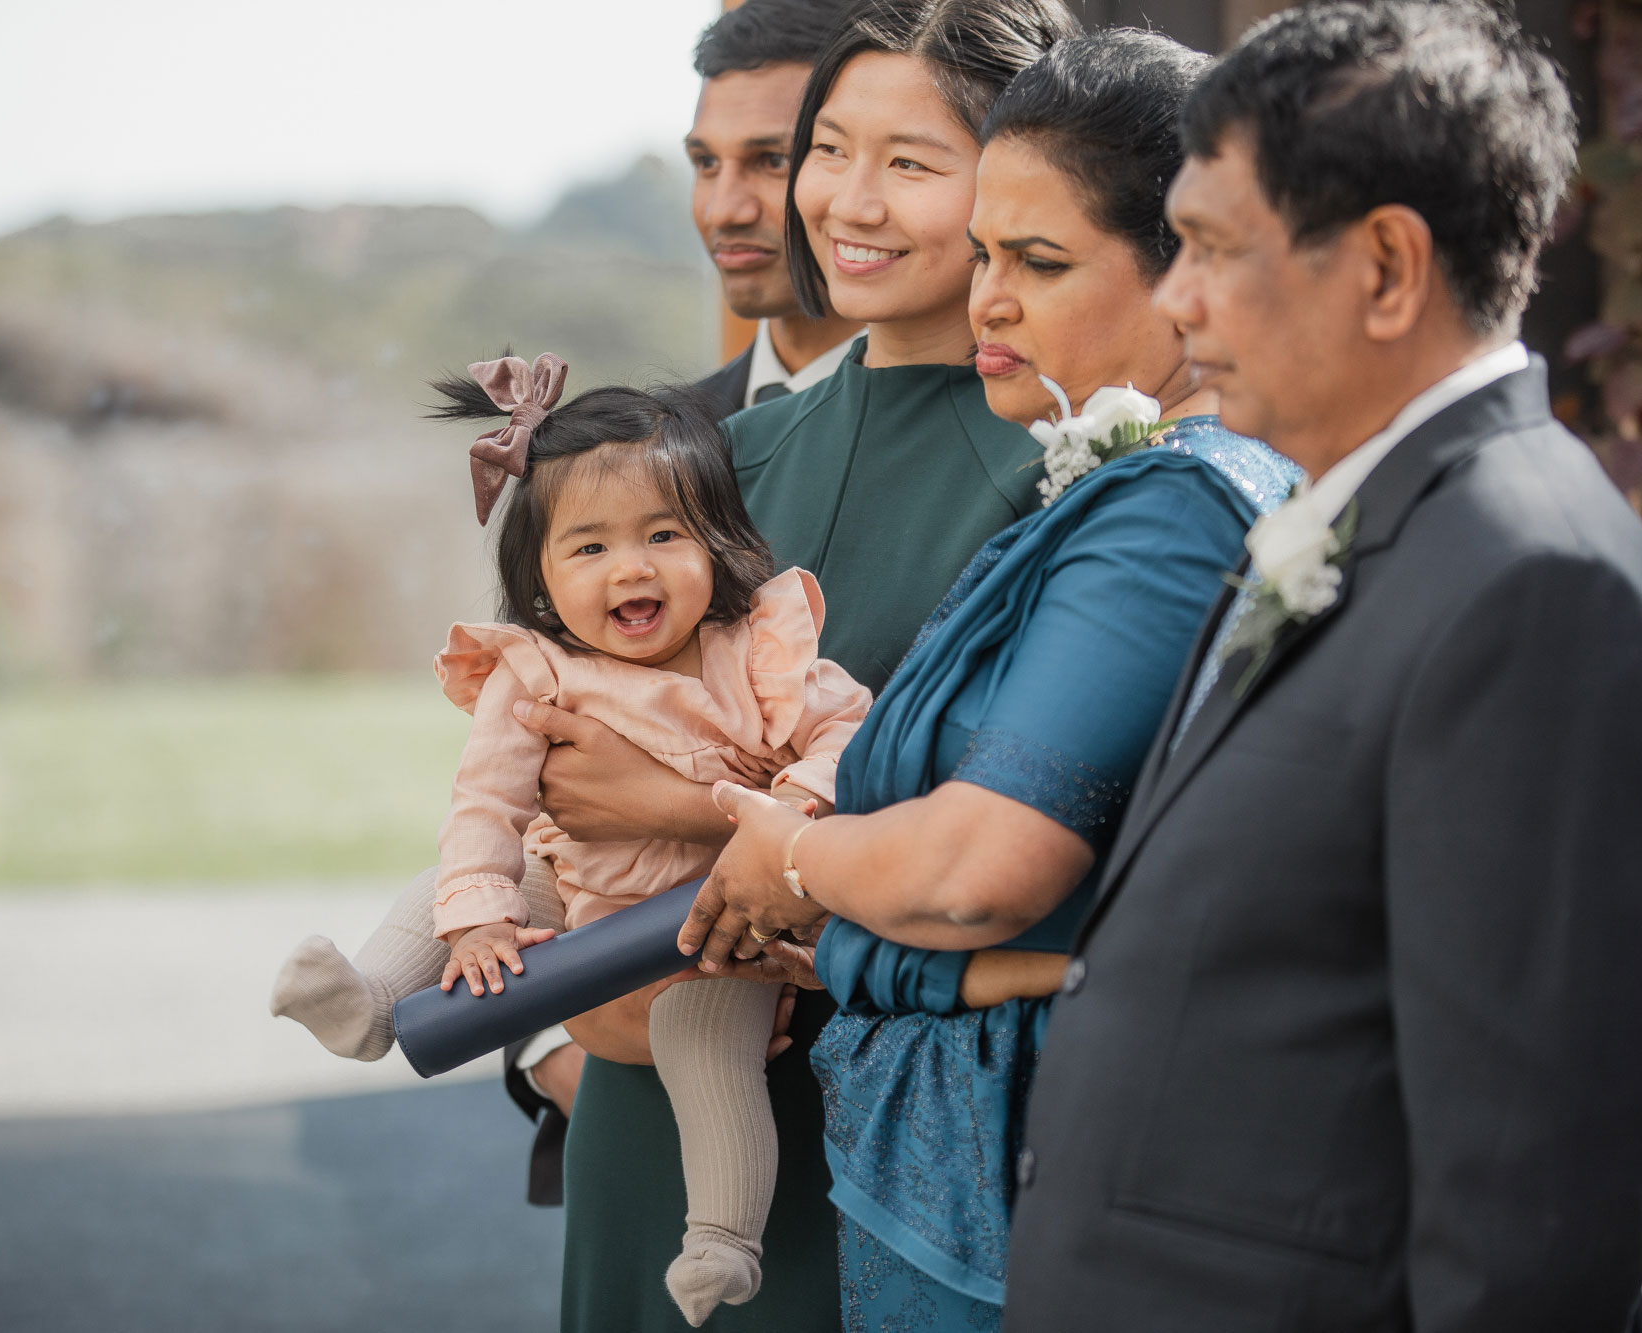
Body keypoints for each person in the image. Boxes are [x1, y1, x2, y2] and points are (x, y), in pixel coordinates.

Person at [997, 4, 1642, 1329]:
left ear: (1385, 266)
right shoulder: (1359, 517)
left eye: (1208, 247)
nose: (1176, 296)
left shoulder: (1535, 585)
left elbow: (1529, 1199)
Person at [672, 31, 1298, 1331]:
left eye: (1040, 262)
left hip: (1036, 1167)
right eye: (991, 256)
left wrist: (791, 862)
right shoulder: (1127, 485)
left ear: (1188, 274)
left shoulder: (1172, 511)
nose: (987, 302)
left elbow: (992, 874)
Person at [523, 3, 1077, 1328]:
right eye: (829, 150)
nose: (846, 200)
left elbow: (1010, 846)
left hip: (893, 1141)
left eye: (909, 160)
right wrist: (569, 1015)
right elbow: (550, 766)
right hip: (650, 1117)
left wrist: (681, 811)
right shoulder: (721, 462)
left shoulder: (1068, 480)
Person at [272, 355, 874, 1325]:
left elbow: (851, 731)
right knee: (447, 883)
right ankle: (371, 997)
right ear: (542, 580)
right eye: (588, 548)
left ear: (717, 542)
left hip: (708, 916)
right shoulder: (536, 671)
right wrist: (478, 920)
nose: (630, 567)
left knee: (705, 1037)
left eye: (662, 535)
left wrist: (793, 805)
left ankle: (722, 1236)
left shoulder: (754, 647)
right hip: (576, 876)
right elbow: (485, 809)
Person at [686, 0, 863, 419]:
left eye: (773, 160)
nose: (722, 212)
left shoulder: (1010, 434)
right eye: (706, 163)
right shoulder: (660, 444)